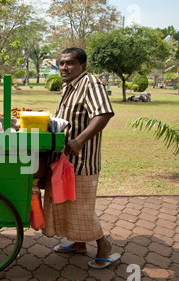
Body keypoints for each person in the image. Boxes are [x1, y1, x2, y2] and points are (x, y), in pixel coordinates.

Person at [42, 47, 120, 269]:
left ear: (82, 66)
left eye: (70, 63)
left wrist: (79, 141)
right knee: (69, 206)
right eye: (61, 63)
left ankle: (104, 247)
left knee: (82, 209)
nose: (64, 68)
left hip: (82, 161)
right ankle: (78, 244)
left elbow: (103, 114)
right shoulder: (68, 87)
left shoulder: (90, 84)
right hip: (65, 161)